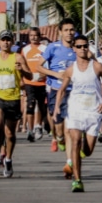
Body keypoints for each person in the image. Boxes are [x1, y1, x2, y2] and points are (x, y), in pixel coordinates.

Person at [53, 33, 102, 192]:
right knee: (76, 141)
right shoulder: (71, 70)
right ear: (74, 49)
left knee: (88, 151)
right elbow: (62, 90)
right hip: (76, 111)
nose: (82, 49)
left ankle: (77, 158)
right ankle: (77, 180)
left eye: (85, 46)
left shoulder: (97, 66)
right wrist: (57, 107)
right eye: (79, 46)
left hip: (93, 112)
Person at [0, 30, 30, 177]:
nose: (5, 42)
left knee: (10, 134)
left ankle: (9, 159)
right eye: (3, 40)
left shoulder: (18, 57)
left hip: (13, 99)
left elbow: (30, 75)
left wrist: (22, 70)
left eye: (8, 40)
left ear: (11, 42)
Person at [41, 18, 79, 157]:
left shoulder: (78, 48)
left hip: (74, 92)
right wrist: (56, 74)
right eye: (66, 30)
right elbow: (39, 67)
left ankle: (70, 160)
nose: (69, 33)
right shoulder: (53, 47)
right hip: (56, 90)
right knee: (59, 127)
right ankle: (59, 138)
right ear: (60, 32)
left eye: (71, 30)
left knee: (70, 127)